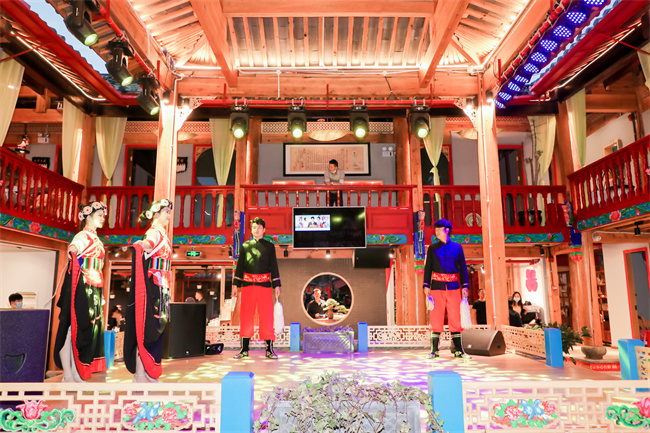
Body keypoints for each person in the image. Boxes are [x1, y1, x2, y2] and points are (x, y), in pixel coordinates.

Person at [53, 201, 108, 382]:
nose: (103, 219)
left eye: (103, 216)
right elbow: (74, 246)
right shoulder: (82, 236)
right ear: (88, 216)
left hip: (94, 288)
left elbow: (100, 268)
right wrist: (73, 250)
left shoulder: (98, 241)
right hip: (81, 286)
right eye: (99, 215)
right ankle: (68, 373)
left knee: (84, 330)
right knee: (70, 328)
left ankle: (76, 370)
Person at [125, 199, 173, 383]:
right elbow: (149, 243)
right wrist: (141, 244)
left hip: (162, 286)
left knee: (157, 329)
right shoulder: (154, 232)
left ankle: (148, 371)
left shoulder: (163, 234)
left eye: (169, 212)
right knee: (148, 328)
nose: (168, 216)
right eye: (166, 212)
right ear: (156, 214)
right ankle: (140, 373)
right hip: (153, 286)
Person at [233, 217, 281, 359]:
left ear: (264, 230)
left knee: (267, 316)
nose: (256, 230)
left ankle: (269, 350)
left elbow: (274, 266)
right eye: (254, 227)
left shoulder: (270, 246)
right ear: (252, 229)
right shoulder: (245, 246)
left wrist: (276, 285)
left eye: (259, 227)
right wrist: (235, 284)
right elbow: (240, 266)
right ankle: (244, 350)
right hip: (247, 286)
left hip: (265, 286)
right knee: (245, 316)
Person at [423, 218, 470, 359]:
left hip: (454, 287)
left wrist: (465, 286)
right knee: (435, 318)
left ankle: (459, 350)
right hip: (436, 287)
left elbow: (463, 268)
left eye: (439, 229)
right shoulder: (432, 248)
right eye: (435, 230)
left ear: (447, 230)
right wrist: (426, 285)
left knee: (455, 318)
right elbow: (428, 268)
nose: (436, 232)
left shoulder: (457, 248)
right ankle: (434, 350)